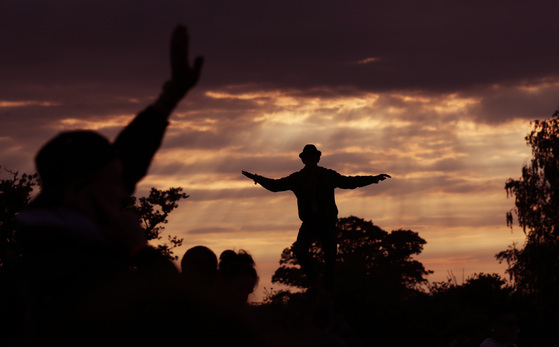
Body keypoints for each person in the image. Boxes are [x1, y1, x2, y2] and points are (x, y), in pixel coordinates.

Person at [11, 25, 203, 346]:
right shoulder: (78, 274)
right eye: (114, 183)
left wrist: (167, 100)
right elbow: (185, 317)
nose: (125, 192)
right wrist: (141, 251)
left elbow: (125, 160)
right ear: (80, 192)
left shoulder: (47, 239)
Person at [242, 144, 390, 292]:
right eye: (308, 157)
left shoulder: (328, 175)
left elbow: (350, 182)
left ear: (318, 158)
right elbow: (275, 185)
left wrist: (373, 179)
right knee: (300, 252)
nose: (311, 159)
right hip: (309, 223)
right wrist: (256, 178)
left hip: (327, 223)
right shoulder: (297, 178)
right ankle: (315, 283)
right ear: (304, 160)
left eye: (314, 156)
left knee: (330, 259)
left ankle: (328, 292)